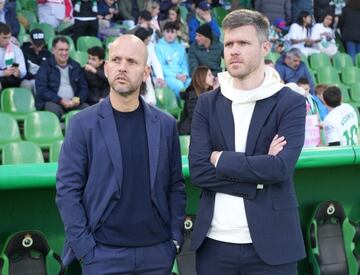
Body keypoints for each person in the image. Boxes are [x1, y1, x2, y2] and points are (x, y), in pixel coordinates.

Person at [56, 34, 186, 274]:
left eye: (132, 61)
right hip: (102, 255)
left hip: (156, 254)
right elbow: (67, 190)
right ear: (106, 68)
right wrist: (86, 249)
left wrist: (174, 239)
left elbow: (175, 186)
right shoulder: (82, 124)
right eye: (116, 60)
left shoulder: (166, 125)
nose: (122, 67)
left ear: (146, 72)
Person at [189, 9, 306, 274]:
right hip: (214, 244)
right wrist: (259, 176)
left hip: (274, 244)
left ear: (265, 47)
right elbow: (199, 171)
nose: (233, 50)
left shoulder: (290, 103)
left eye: (243, 43)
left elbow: (281, 168)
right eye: (229, 44)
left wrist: (221, 159)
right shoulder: (207, 103)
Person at [35, 36, 89, 118]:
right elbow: (41, 89)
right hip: (54, 102)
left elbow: (84, 87)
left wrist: (78, 99)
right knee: (52, 110)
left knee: (88, 110)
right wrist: (60, 100)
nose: (64, 53)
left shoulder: (75, 66)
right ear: (53, 50)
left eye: (66, 50)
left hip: (73, 103)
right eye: (61, 50)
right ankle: (59, 129)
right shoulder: (45, 66)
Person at [178, 65, 217, 135]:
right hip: (189, 130)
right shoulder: (192, 95)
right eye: (209, 75)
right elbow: (195, 117)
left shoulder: (208, 93)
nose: (213, 77)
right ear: (202, 77)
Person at [155, 21, 191, 98]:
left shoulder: (180, 47)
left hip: (182, 75)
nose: (170, 35)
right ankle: (181, 108)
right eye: (167, 32)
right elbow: (161, 67)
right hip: (168, 77)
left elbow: (184, 64)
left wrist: (185, 75)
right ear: (163, 33)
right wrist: (176, 76)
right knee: (179, 85)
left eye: (172, 32)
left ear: (176, 34)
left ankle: (192, 106)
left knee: (191, 83)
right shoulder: (158, 47)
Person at [20, 28, 51, 94]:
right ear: (31, 41)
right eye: (37, 44)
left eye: (41, 44)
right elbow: (22, 71)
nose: (39, 46)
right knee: (27, 84)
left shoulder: (47, 53)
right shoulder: (23, 51)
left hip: (42, 80)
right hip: (27, 79)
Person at [0, 22, 26, 89]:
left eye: (9, 37)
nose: (8, 41)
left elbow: (23, 70)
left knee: (26, 84)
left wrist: (19, 73)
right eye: (4, 38)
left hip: (11, 79)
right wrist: (3, 73)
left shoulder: (16, 49)